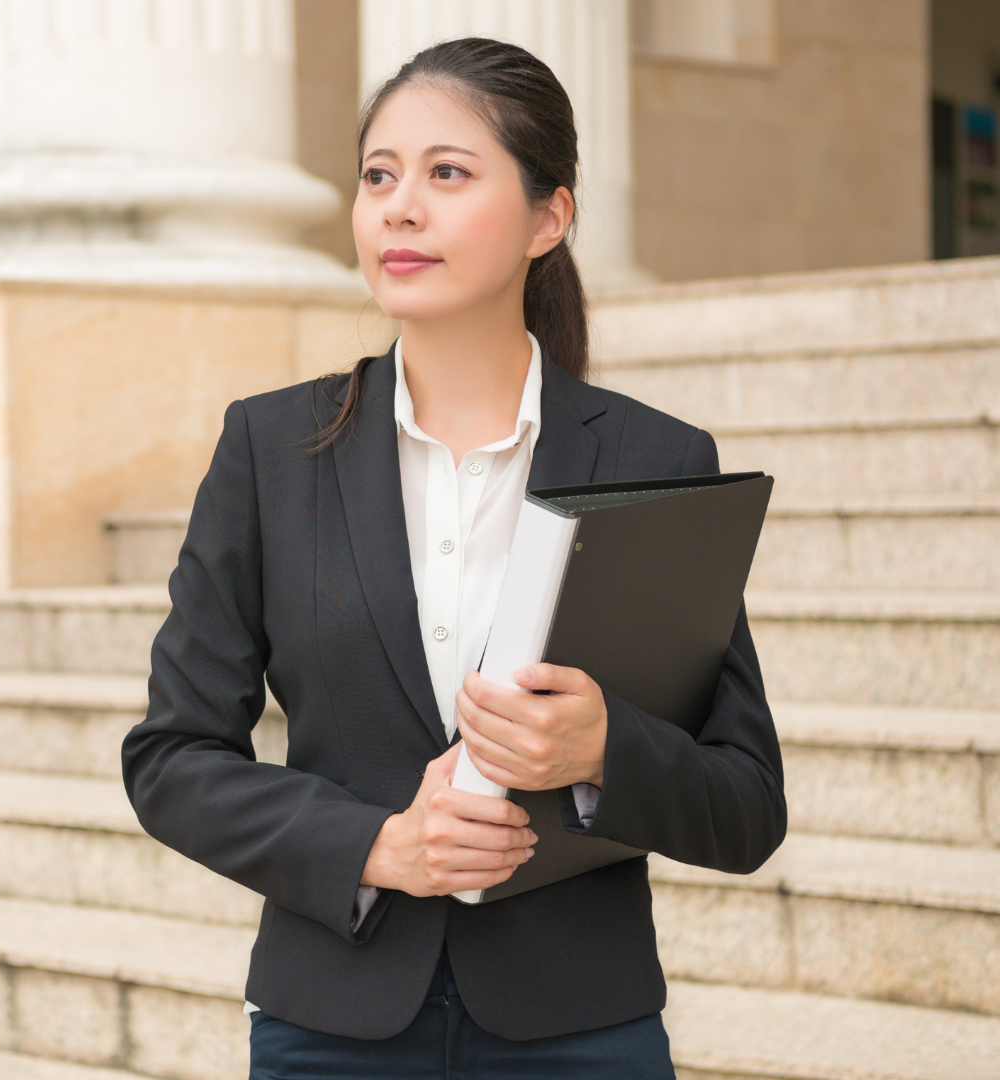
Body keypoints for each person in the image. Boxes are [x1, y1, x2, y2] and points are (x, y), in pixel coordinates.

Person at [122, 37, 786, 1080]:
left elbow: (746, 802)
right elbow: (171, 759)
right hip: (331, 1031)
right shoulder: (269, 451)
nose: (399, 206)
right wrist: (376, 846)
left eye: (448, 173)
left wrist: (604, 750)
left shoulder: (657, 459)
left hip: (580, 1029)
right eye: (379, 175)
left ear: (549, 217)